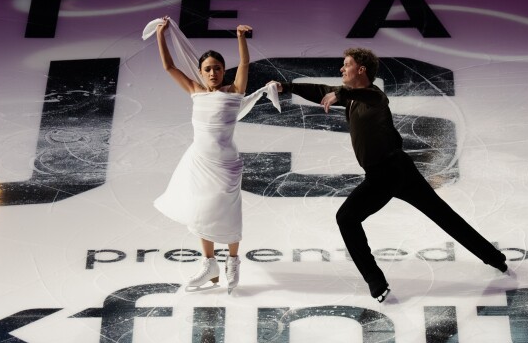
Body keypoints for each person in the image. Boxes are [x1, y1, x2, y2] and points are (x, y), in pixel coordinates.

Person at [270, 48, 508, 302]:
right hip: (398, 168)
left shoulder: (375, 97)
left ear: (361, 70)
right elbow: (321, 91)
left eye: (347, 64)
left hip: (386, 174)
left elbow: (367, 97)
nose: (342, 69)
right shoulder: (351, 97)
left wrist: (340, 93)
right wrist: (286, 87)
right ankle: (495, 258)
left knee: (347, 218)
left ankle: (376, 282)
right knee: (442, 214)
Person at [148, 16, 278, 293]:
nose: (212, 73)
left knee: (229, 212)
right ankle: (209, 264)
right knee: (201, 211)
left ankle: (233, 260)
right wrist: (160, 34)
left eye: (217, 68)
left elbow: (244, 64)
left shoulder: (234, 92)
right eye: (207, 69)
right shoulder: (195, 91)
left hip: (227, 164)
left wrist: (240, 37)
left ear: (223, 71)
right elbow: (169, 66)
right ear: (200, 72)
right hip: (199, 161)